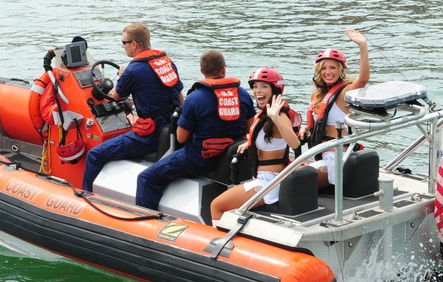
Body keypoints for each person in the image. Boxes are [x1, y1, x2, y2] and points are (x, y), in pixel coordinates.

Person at [135, 50, 254, 210]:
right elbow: (250, 129)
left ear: (202, 71)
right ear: (224, 70)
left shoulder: (195, 98)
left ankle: (146, 219)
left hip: (199, 157)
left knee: (147, 178)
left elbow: (181, 138)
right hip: (230, 155)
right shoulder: (243, 94)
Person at [81, 23, 184, 191]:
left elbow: (115, 97)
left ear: (134, 44)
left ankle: (86, 197)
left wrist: (122, 76)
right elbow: (180, 97)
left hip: (151, 133)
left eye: (123, 42)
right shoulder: (166, 61)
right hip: (173, 124)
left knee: (94, 155)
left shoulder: (133, 70)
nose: (123, 46)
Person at [209, 68, 301, 225]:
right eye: (255, 86)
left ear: (275, 90)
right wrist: (250, 144)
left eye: (264, 86)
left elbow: (294, 143)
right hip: (265, 178)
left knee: (216, 206)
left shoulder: (278, 115)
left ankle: (218, 245)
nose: (258, 91)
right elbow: (270, 140)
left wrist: (275, 118)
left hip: (269, 182)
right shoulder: (267, 114)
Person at [298, 28, 371, 187]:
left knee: (295, 181)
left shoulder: (344, 93)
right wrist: (306, 129)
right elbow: (319, 123)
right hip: (321, 156)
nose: (327, 72)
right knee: (290, 175)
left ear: (341, 70)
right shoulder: (318, 95)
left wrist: (362, 46)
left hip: (336, 159)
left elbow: (363, 79)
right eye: (324, 68)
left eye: (332, 67)